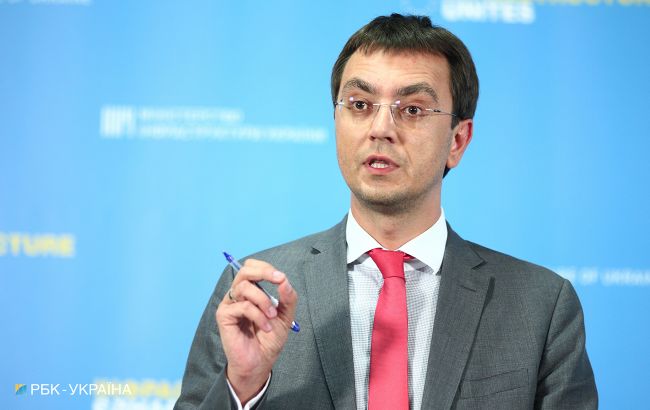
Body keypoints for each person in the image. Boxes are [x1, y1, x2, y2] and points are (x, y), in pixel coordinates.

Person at [174, 13, 598, 410]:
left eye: (412, 110)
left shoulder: (539, 306)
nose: (380, 128)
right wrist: (243, 386)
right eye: (360, 105)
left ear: (457, 141)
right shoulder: (257, 293)